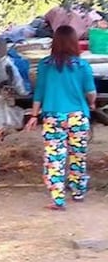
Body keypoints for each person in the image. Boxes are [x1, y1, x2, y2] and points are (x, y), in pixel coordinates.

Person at [25, 25, 96, 210]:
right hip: (78, 117)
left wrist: (34, 115)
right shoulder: (82, 66)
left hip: (53, 117)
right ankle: (78, 191)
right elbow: (91, 92)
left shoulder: (45, 65)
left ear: (54, 42)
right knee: (78, 155)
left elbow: (39, 92)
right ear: (74, 43)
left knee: (54, 158)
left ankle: (58, 199)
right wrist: (92, 104)